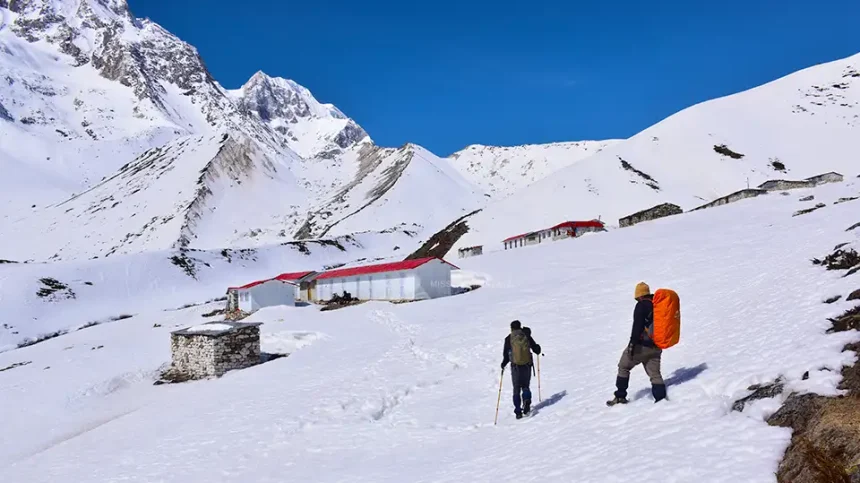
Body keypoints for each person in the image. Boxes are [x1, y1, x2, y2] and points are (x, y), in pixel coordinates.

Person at [607, 282, 667, 406]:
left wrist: (632, 344)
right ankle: (661, 401)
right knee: (655, 374)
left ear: (638, 295)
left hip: (641, 346)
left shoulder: (641, 305)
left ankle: (620, 397)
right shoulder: (658, 305)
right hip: (656, 346)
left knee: (623, 366)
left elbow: (637, 326)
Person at [501, 320, 542, 419]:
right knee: (525, 386)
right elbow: (536, 349)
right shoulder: (526, 335)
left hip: (515, 367)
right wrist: (538, 348)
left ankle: (518, 411)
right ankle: (527, 399)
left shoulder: (508, 338)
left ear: (511, 328)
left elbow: (506, 355)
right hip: (527, 365)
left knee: (516, 388)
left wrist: (503, 364)